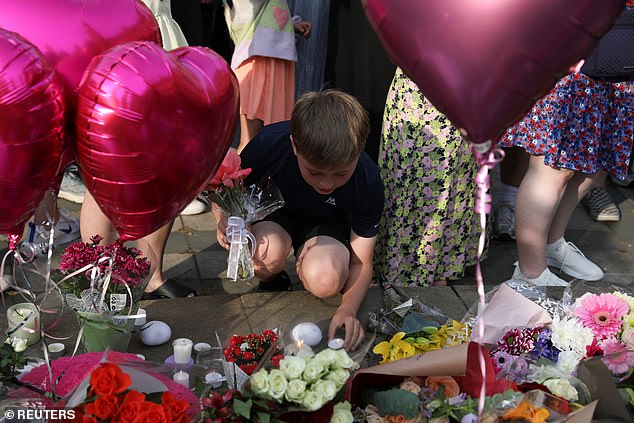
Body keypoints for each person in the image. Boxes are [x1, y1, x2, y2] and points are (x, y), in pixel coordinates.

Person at [213, 90, 384, 351]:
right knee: (262, 253)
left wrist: (348, 309)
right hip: (273, 214)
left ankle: (310, 268)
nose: (327, 183)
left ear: (359, 152)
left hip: (327, 225)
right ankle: (273, 278)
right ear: (294, 145)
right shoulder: (269, 144)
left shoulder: (367, 179)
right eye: (314, 172)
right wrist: (226, 220)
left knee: (326, 280)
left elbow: (362, 261)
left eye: (340, 174)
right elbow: (224, 189)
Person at [77, 0, 198, 300]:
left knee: (167, 163)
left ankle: (149, 274)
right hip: (116, 36)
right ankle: (98, 274)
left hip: (158, 34)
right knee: (103, 168)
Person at [501, 56, 633, 286]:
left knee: (589, 166)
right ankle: (530, 272)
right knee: (553, 167)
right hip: (572, 64)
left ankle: (552, 245)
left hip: (617, 68)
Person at [374, 69, 483, 287]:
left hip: (468, 81)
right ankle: (402, 266)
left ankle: (440, 266)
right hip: (425, 82)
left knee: (456, 176)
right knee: (413, 176)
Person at [224, 0, 312, 152]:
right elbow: (247, 11)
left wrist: (289, 26)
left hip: (269, 57)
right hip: (259, 58)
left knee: (272, 138)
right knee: (251, 140)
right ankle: (239, 176)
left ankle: (250, 174)